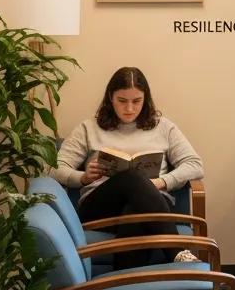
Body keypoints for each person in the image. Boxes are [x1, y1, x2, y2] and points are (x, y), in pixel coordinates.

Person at [53, 67, 203, 269]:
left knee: (135, 212)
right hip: (100, 207)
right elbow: (55, 168)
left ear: (146, 98)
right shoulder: (89, 128)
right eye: (122, 101)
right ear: (110, 98)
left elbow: (195, 165)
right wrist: (83, 177)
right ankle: (178, 253)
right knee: (130, 178)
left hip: (151, 204)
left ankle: (123, 285)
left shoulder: (164, 127)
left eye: (136, 101)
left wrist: (161, 182)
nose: (130, 109)